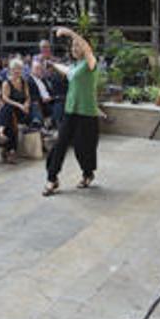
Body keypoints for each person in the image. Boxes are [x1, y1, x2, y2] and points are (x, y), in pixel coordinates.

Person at [42, 27, 99, 196]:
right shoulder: (75, 66)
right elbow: (66, 71)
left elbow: (86, 49)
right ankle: (52, 179)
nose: (74, 48)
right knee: (60, 144)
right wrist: (52, 64)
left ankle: (87, 174)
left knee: (83, 148)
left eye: (77, 46)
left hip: (87, 112)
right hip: (70, 111)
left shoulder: (91, 63)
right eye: (72, 46)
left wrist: (68, 32)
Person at [0, 58, 30, 163]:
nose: (17, 71)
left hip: (21, 111)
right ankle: (11, 151)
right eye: (15, 69)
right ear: (11, 70)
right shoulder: (6, 83)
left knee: (8, 112)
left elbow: (27, 97)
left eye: (19, 69)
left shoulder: (24, 81)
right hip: (13, 108)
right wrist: (19, 105)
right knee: (11, 118)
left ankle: (1, 134)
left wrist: (25, 104)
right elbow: (5, 98)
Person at [27, 61, 53, 129]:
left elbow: (50, 91)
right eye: (37, 68)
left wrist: (50, 97)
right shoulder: (28, 80)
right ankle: (40, 126)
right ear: (31, 69)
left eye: (40, 68)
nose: (39, 70)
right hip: (38, 101)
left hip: (49, 100)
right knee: (36, 104)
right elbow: (30, 95)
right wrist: (42, 99)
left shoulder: (43, 79)